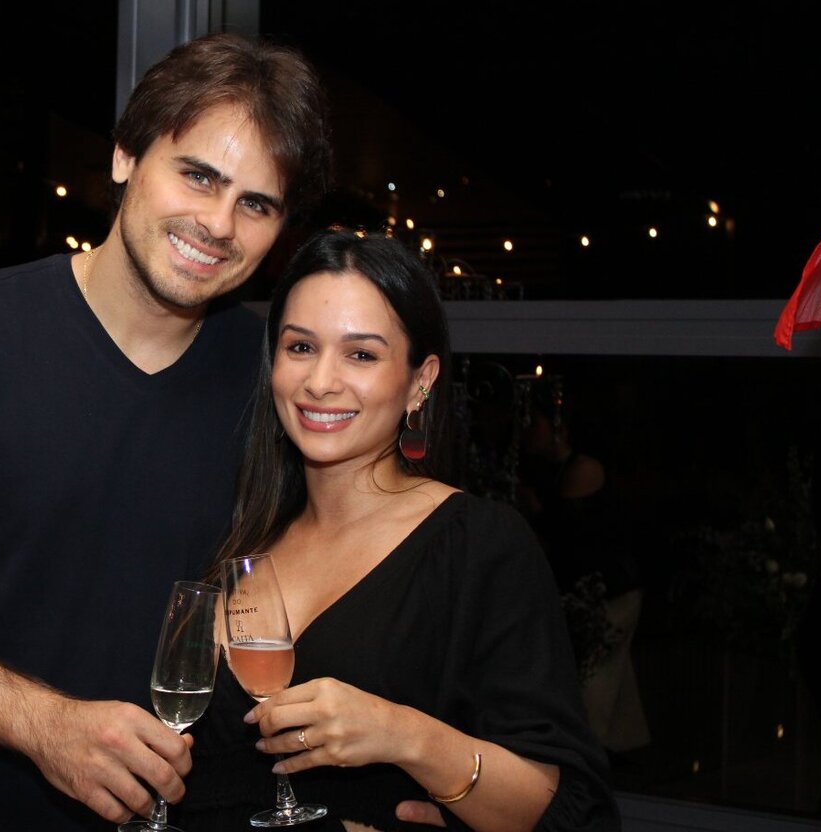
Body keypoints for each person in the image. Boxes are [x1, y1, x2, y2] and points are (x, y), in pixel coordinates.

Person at [0, 33, 334, 831]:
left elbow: (339, 562)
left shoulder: (270, 382)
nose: (218, 224)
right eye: (198, 175)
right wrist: (43, 725)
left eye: (256, 203)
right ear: (124, 157)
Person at [176, 230, 618, 830]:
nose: (321, 381)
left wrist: (405, 734)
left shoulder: (476, 546)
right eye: (300, 346)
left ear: (420, 380)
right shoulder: (237, 536)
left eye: (361, 354)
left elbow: (570, 808)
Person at [518, 380, 650, 755]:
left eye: (537, 423)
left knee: (595, 686)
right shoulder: (548, 470)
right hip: (591, 592)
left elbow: (569, 537)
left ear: (557, 425)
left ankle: (588, 767)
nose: (530, 432)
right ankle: (626, 758)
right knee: (615, 687)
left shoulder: (583, 468)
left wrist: (535, 510)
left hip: (612, 592)